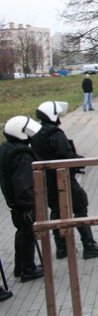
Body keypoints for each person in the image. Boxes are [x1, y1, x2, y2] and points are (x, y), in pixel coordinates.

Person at [31, 101, 98, 260]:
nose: (59, 117)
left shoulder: (37, 134)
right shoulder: (55, 134)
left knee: (57, 211)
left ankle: (62, 247)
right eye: (58, 114)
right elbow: (66, 156)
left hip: (47, 181)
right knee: (80, 205)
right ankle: (89, 245)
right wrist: (80, 160)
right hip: (63, 179)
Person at [0, 116, 44, 283]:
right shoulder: (22, 155)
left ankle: (20, 266)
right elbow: (23, 181)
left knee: (21, 232)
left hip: (13, 202)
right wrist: (30, 205)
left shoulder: (6, 147)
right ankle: (28, 269)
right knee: (27, 233)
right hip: (23, 203)